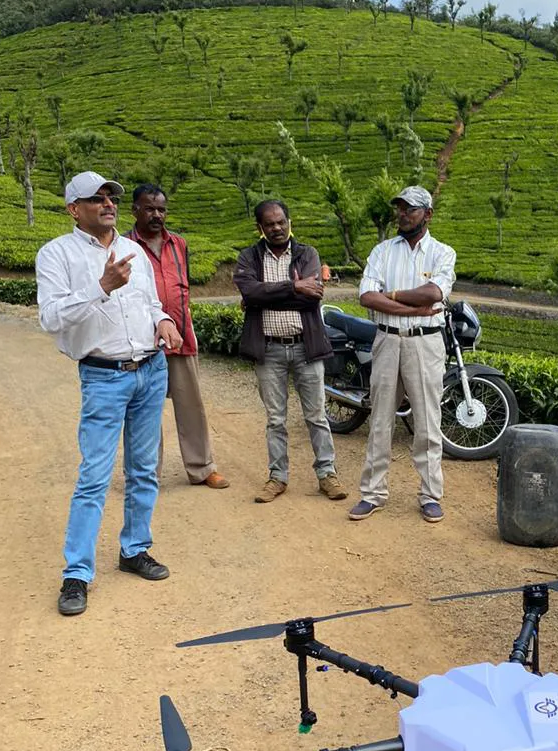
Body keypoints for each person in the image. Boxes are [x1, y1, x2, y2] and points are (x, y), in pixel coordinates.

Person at [35, 171, 183, 617]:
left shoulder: (133, 249)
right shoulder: (55, 254)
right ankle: (77, 574)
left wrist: (164, 321)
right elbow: (51, 318)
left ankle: (134, 549)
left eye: (111, 197)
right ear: (73, 209)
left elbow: (151, 302)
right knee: (94, 477)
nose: (108, 203)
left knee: (143, 471)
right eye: (96, 198)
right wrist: (101, 287)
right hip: (103, 376)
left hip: (149, 370)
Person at [349, 185, 456, 523]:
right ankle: (373, 493)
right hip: (387, 340)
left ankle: (430, 495)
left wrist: (391, 295)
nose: (403, 214)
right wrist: (409, 308)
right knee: (380, 419)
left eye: (411, 209)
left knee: (427, 421)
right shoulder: (382, 251)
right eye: (400, 208)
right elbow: (366, 296)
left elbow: (433, 293)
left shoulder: (442, 253)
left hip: (426, 343)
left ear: (428, 214)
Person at [233, 199, 347, 504]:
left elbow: (312, 298)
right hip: (269, 350)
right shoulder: (249, 257)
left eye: (281, 221)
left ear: (288, 221)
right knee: (275, 419)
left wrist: (263, 296)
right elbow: (249, 291)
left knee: (317, 416)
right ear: (260, 228)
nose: (277, 228)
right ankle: (277, 477)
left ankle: (327, 474)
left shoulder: (307, 253)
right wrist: (294, 288)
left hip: (304, 346)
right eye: (269, 224)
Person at [127, 184, 229, 490]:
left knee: (191, 407)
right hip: (143, 342)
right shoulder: (123, 247)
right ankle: (146, 475)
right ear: (135, 210)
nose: (157, 215)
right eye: (149, 208)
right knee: (145, 411)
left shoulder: (179, 244)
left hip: (181, 337)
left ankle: (201, 468)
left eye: (161, 209)